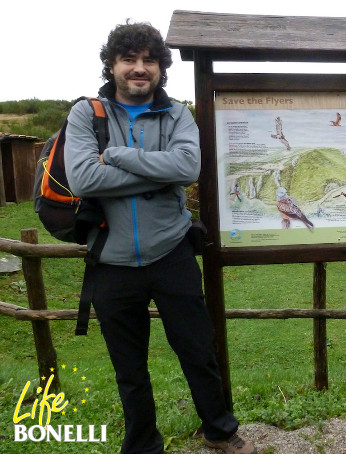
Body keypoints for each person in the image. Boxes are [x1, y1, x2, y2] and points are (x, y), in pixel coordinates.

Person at [64, 21, 257, 454]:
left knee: (197, 351)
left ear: (160, 68)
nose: (139, 68)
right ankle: (143, 445)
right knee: (129, 368)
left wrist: (116, 156)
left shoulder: (177, 115)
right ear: (111, 65)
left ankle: (220, 431)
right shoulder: (87, 114)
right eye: (129, 59)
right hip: (110, 261)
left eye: (149, 60)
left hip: (172, 253)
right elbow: (82, 178)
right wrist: (156, 173)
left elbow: (187, 169)